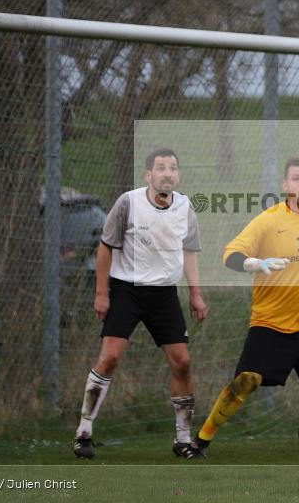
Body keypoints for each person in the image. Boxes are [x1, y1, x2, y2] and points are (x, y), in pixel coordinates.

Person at [190, 158, 299, 458]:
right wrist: (256, 263)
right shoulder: (268, 221)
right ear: (285, 185)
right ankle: (201, 441)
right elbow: (230, 254)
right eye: (296, 178)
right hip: (270, 322)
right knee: (247, 381)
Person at [72, 147, 207, 460]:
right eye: (160, 168)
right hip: (127, 291)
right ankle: (83, 433)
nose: (167, 173)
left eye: (172, 168)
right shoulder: (128, 203)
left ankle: (183, 439)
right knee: (110, 357)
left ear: (178, 175)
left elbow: (189, 251)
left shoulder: (185, 207)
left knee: (182, 362)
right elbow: (105, 248)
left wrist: (196, 293)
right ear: (148, 175)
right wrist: (102, 293)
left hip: (164, 295)